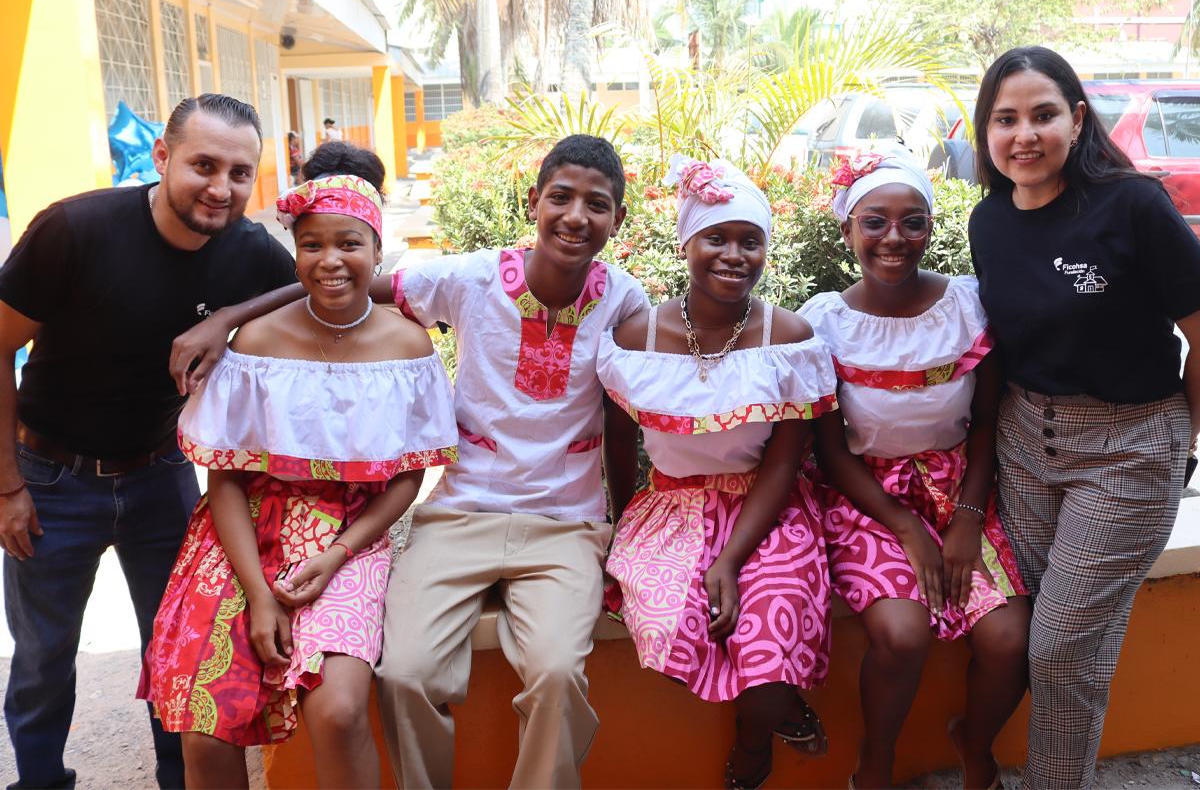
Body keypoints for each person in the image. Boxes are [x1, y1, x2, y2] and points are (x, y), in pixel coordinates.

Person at [165, 134, 649, 788]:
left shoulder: (624, 301)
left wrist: (626, 525)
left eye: (597, 204)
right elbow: (345, 281)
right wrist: (230, 317)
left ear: (618, 219)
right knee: (404, 671)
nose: (575, 215)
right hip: (460, 514)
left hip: (567, 524)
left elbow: (624, 424)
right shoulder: (474, 278)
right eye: (559, 196)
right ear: (533, 201)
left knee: (559, 673)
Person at [0, 93, 297, 790]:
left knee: (175, 648)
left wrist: (227, 315)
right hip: (48, 475)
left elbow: (323, 290)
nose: (220, 188)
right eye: (202, 165)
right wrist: (8, 484)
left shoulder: (249, 253)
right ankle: (40, 780)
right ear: (161, 157)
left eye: (239, 172)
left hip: (160, 473)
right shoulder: (74, 228)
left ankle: (178, 781)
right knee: (43, 655)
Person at [138, 155, 457, 788]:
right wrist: (259, 594)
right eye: (311, 245)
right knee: (206, 724)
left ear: (378, 247)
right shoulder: (254, 343)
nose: (330, 260)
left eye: (349, 243)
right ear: (295, 254)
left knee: (338, 711)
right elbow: (225, 475)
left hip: (347, 537)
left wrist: (337, 554)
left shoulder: (409, 348)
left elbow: (405, 478)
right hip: (238, 538)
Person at [968, 46, 1200, 789]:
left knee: (1061, 648)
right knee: (1065, 643)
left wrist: (1178, 441)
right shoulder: (989, 220)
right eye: (1005, 120)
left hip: (1128, 450)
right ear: (986, 132)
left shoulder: (1133, 204)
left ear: (1075, 119)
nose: (1023, 135)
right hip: (1025, 446)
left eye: (1042, 115)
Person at [599, 154, 837, 790]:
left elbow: (786, 461)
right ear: (686, 244)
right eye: (717, 237)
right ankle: (780, 714)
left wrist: (729, 559)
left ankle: (756, 739)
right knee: (670, 626)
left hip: (769, 510)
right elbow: (618, 443)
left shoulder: (789, 338)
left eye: (750, 240)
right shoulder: (636, 338)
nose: (735, 254)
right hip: (668, 509)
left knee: (768, 648)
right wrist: (627, 522)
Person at [802, 153, 1030, 790]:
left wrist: (966, 519)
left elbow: (984, 422)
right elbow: (832, 452)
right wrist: (903, 527)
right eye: (874, 222)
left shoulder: (965, 305)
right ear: (848, 231)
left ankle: (974, 741)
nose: (894, 238)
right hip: (867, 500)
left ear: (932, 227)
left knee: (1008, 639)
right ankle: (876, 759)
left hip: (958, 490)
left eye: (913, 221)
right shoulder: (824, 325)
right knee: (902, 634)